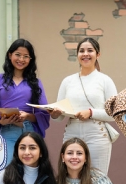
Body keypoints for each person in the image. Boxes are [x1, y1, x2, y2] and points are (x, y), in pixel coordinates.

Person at [49, 37, 117, 175]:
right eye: (81, 51)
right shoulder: (67, 81)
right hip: (72, 133)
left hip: (97, 135)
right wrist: (55, 114)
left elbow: (114, 113)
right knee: (71, 178)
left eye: (90, 50)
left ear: (98, 54)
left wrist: (91, 113)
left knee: (97, 179)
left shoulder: (105, 80)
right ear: (77, 55)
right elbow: (58, 117)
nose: (85, 54)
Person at [0, 38, 50, 165]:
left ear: (30, 60)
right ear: (10, 55)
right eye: (18, 55)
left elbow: (44, 113)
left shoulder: (36, 83)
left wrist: (28, 116)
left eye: (26, 56)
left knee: (31, 171)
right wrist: (1, 121)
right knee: (9, 172)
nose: (21, 59)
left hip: (30, 131)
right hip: (7, 131)